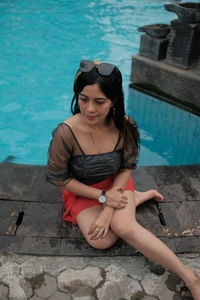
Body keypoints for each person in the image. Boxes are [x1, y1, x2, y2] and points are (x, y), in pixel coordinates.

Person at [47, 60, 200, 299]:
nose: (89, 109)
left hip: (117, 183)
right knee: (101, 240)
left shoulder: (125, 126)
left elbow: (128, 166)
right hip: (83, 191)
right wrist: (102, 197)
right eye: (83, 99)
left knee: (123, 226)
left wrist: (109, 206)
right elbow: (60, 178)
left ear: (114, 100)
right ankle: (136, 199)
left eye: (99, 102)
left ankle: (189, 276)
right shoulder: (65, 133)